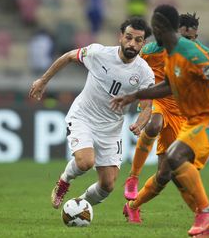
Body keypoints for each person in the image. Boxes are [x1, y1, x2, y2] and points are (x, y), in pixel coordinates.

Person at [111, 5, 209, 237]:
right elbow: (166, 85)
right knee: (171, 174)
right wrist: (134, 96)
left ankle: (206, 213)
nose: (153, 32)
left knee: (175, 164)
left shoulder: (192, 52)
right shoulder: (168, 53)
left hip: (208, 118)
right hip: (188, 118)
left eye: (157, 27)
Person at [29, 17, 155, 209]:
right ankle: (64, 180)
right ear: (120, 36)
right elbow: (69, 56)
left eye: (138, 40)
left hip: (111, 129)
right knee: (86, 161)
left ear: (143, 43)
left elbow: (147, 106)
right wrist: (43, 81)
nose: (132, 43)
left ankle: (79, 207)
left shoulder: (144, 72)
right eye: (129, 37)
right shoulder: (98, 53)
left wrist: (141, 122)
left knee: (107, 185)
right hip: (83, 117)